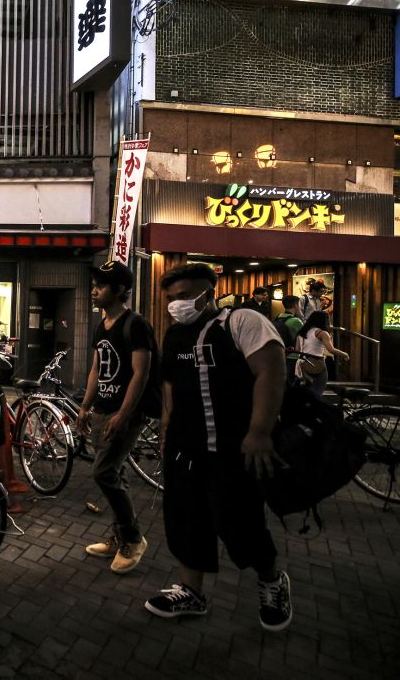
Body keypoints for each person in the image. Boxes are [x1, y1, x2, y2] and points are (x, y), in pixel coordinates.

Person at [146, 263, 291, 631]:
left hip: (232, 451)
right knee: (185, 521)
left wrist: (259, 432)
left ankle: (272, 580)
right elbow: (169, 387)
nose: (176, 304)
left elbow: (271, 371)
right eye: (170, 299)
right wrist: (166, 431)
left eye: (184, 296)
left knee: (240, 524)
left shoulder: (241, 322)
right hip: (184, 449)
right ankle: (191, 592)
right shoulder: (175, 335)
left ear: (209, 292)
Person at [76, 261, 154, 574]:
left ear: (120, 290)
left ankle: (133, 540)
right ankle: (121, 535)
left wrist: (124, 412)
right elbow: (96, 369)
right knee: (114, 473)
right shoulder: (102, 324)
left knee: (104, 472)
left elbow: (141, 373)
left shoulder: (135, 324)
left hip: (125, 413)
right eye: (94, 283)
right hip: (103, 410)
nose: (94, 290)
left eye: (101, 285)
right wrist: (85, 406)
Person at [296, 311, 348, 398]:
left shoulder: (302, 332)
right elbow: (331, 349)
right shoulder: (322, 333)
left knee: (307, 390)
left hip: (303, 364)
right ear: (323, 321)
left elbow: (297, 349)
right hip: (317, 364)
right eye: (327, 319)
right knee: (317, 391)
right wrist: (344, 354)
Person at [273, 297, 304, 381]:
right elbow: (304, 337)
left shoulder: (278, 317)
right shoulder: (296, 321)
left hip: (280, 353)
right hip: (293, 355)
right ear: (295, 305)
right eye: (299, 304)